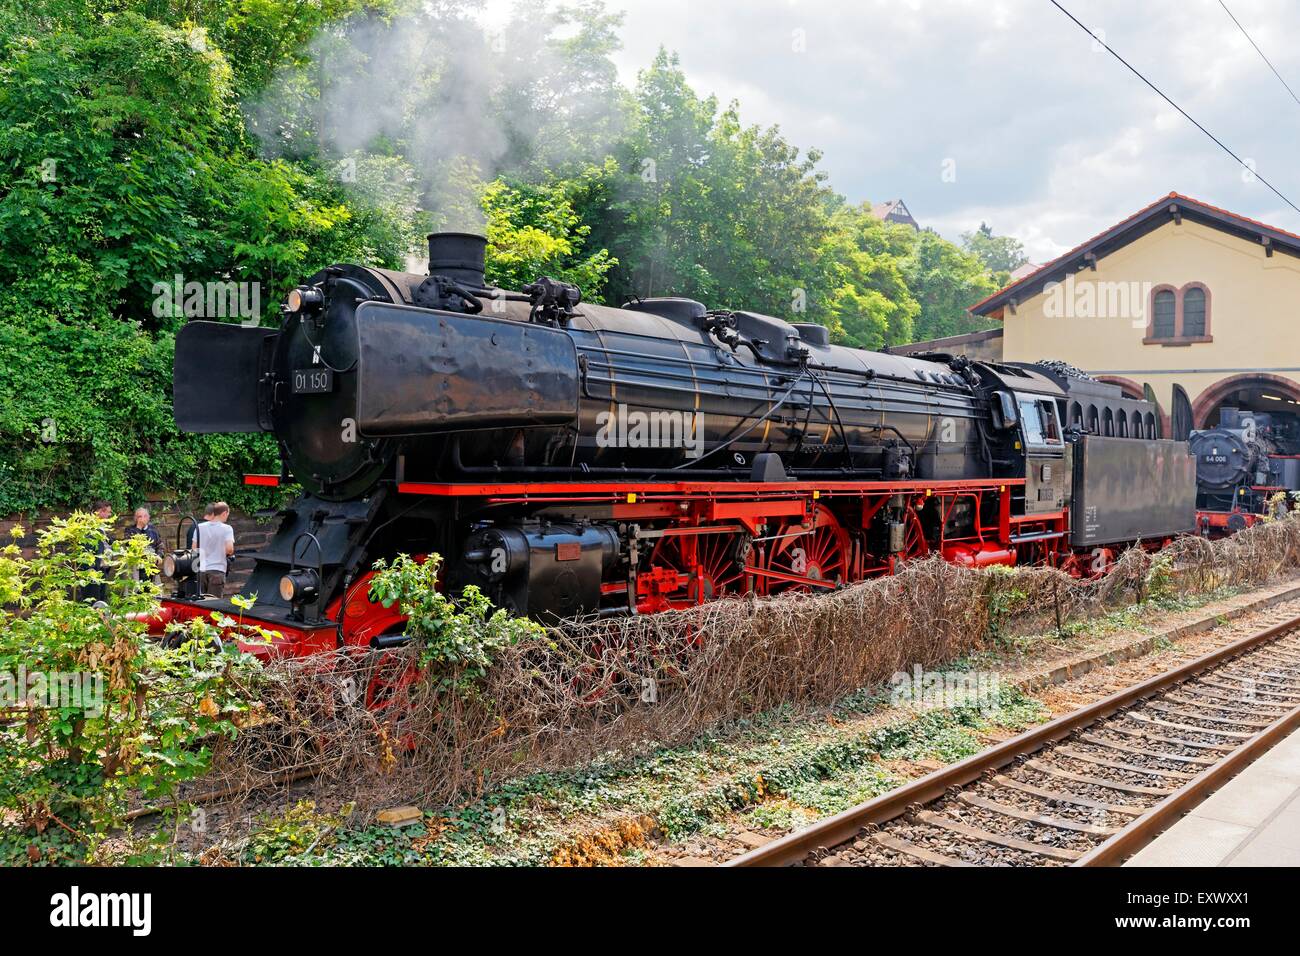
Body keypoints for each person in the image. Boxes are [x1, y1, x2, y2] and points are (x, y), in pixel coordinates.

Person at [195, 501, 235, 597]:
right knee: (214, 604)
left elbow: (194, 548)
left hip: (201, 570)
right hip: (217, 570)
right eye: (228, 514)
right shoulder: (227, 528)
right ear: (224, 513)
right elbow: (229, 549)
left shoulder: (199, 527)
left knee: (201, 603)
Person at [83, 500, 114, 603]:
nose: (110, 515)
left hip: (102, 570)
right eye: (108, 512)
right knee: (94, 603)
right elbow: (87, 549)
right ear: (100, 511)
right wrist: (90, 569)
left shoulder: (102, 528)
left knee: (101, 602)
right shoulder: (90, 527)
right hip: (93, 572)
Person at [123, 507, 163, 581]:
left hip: (151, 564)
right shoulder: (129, 530)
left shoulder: (153, 529)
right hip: (136, 565)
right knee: (137, 589)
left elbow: (160, 545)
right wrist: (138, 528)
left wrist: (159, 555)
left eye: (145, 516)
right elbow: (129, 544)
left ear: (148, 518)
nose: (142, 519)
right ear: (135, 519)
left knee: (152, 588)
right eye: (140, 516)